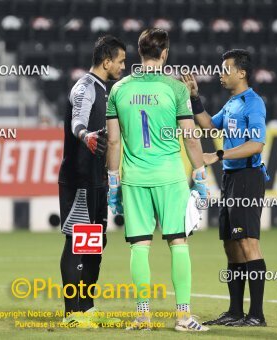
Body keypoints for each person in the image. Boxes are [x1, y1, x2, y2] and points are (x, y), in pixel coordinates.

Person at [106, 28, 209, 332]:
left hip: (135, 178)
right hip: (170, 178)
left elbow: (113, 143)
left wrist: (113, 182)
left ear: (139, 53)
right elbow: (191, 137)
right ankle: (183, 317)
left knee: (139, 246)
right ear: (165, 53)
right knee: (178, 242)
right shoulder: (175, 89)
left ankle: (142, 317)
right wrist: (200, 174)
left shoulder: (119, 89)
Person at [182, 49, 268, 327]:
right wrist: (194, 97)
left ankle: (256, 315)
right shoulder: (232, 104)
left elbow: (256, 145)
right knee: (231, 246)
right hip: (231, 179)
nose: (221, 73)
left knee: (248, 243)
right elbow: (208, 125)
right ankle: (234, 311)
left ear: (241, 73)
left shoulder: (252, 103)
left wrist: (217, 156)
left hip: (248, 177)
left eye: (226, 68)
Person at [58, 35, 126, 327]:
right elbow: (77, 122)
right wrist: (85, 135)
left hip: (96, 179)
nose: (123, 66)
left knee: (96, 243)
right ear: (106, 61)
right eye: (121, 61)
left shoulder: (103, 89)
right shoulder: (85, 87)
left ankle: (86, 307)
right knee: (77, 243)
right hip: (79, 179)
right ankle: (72, 313)